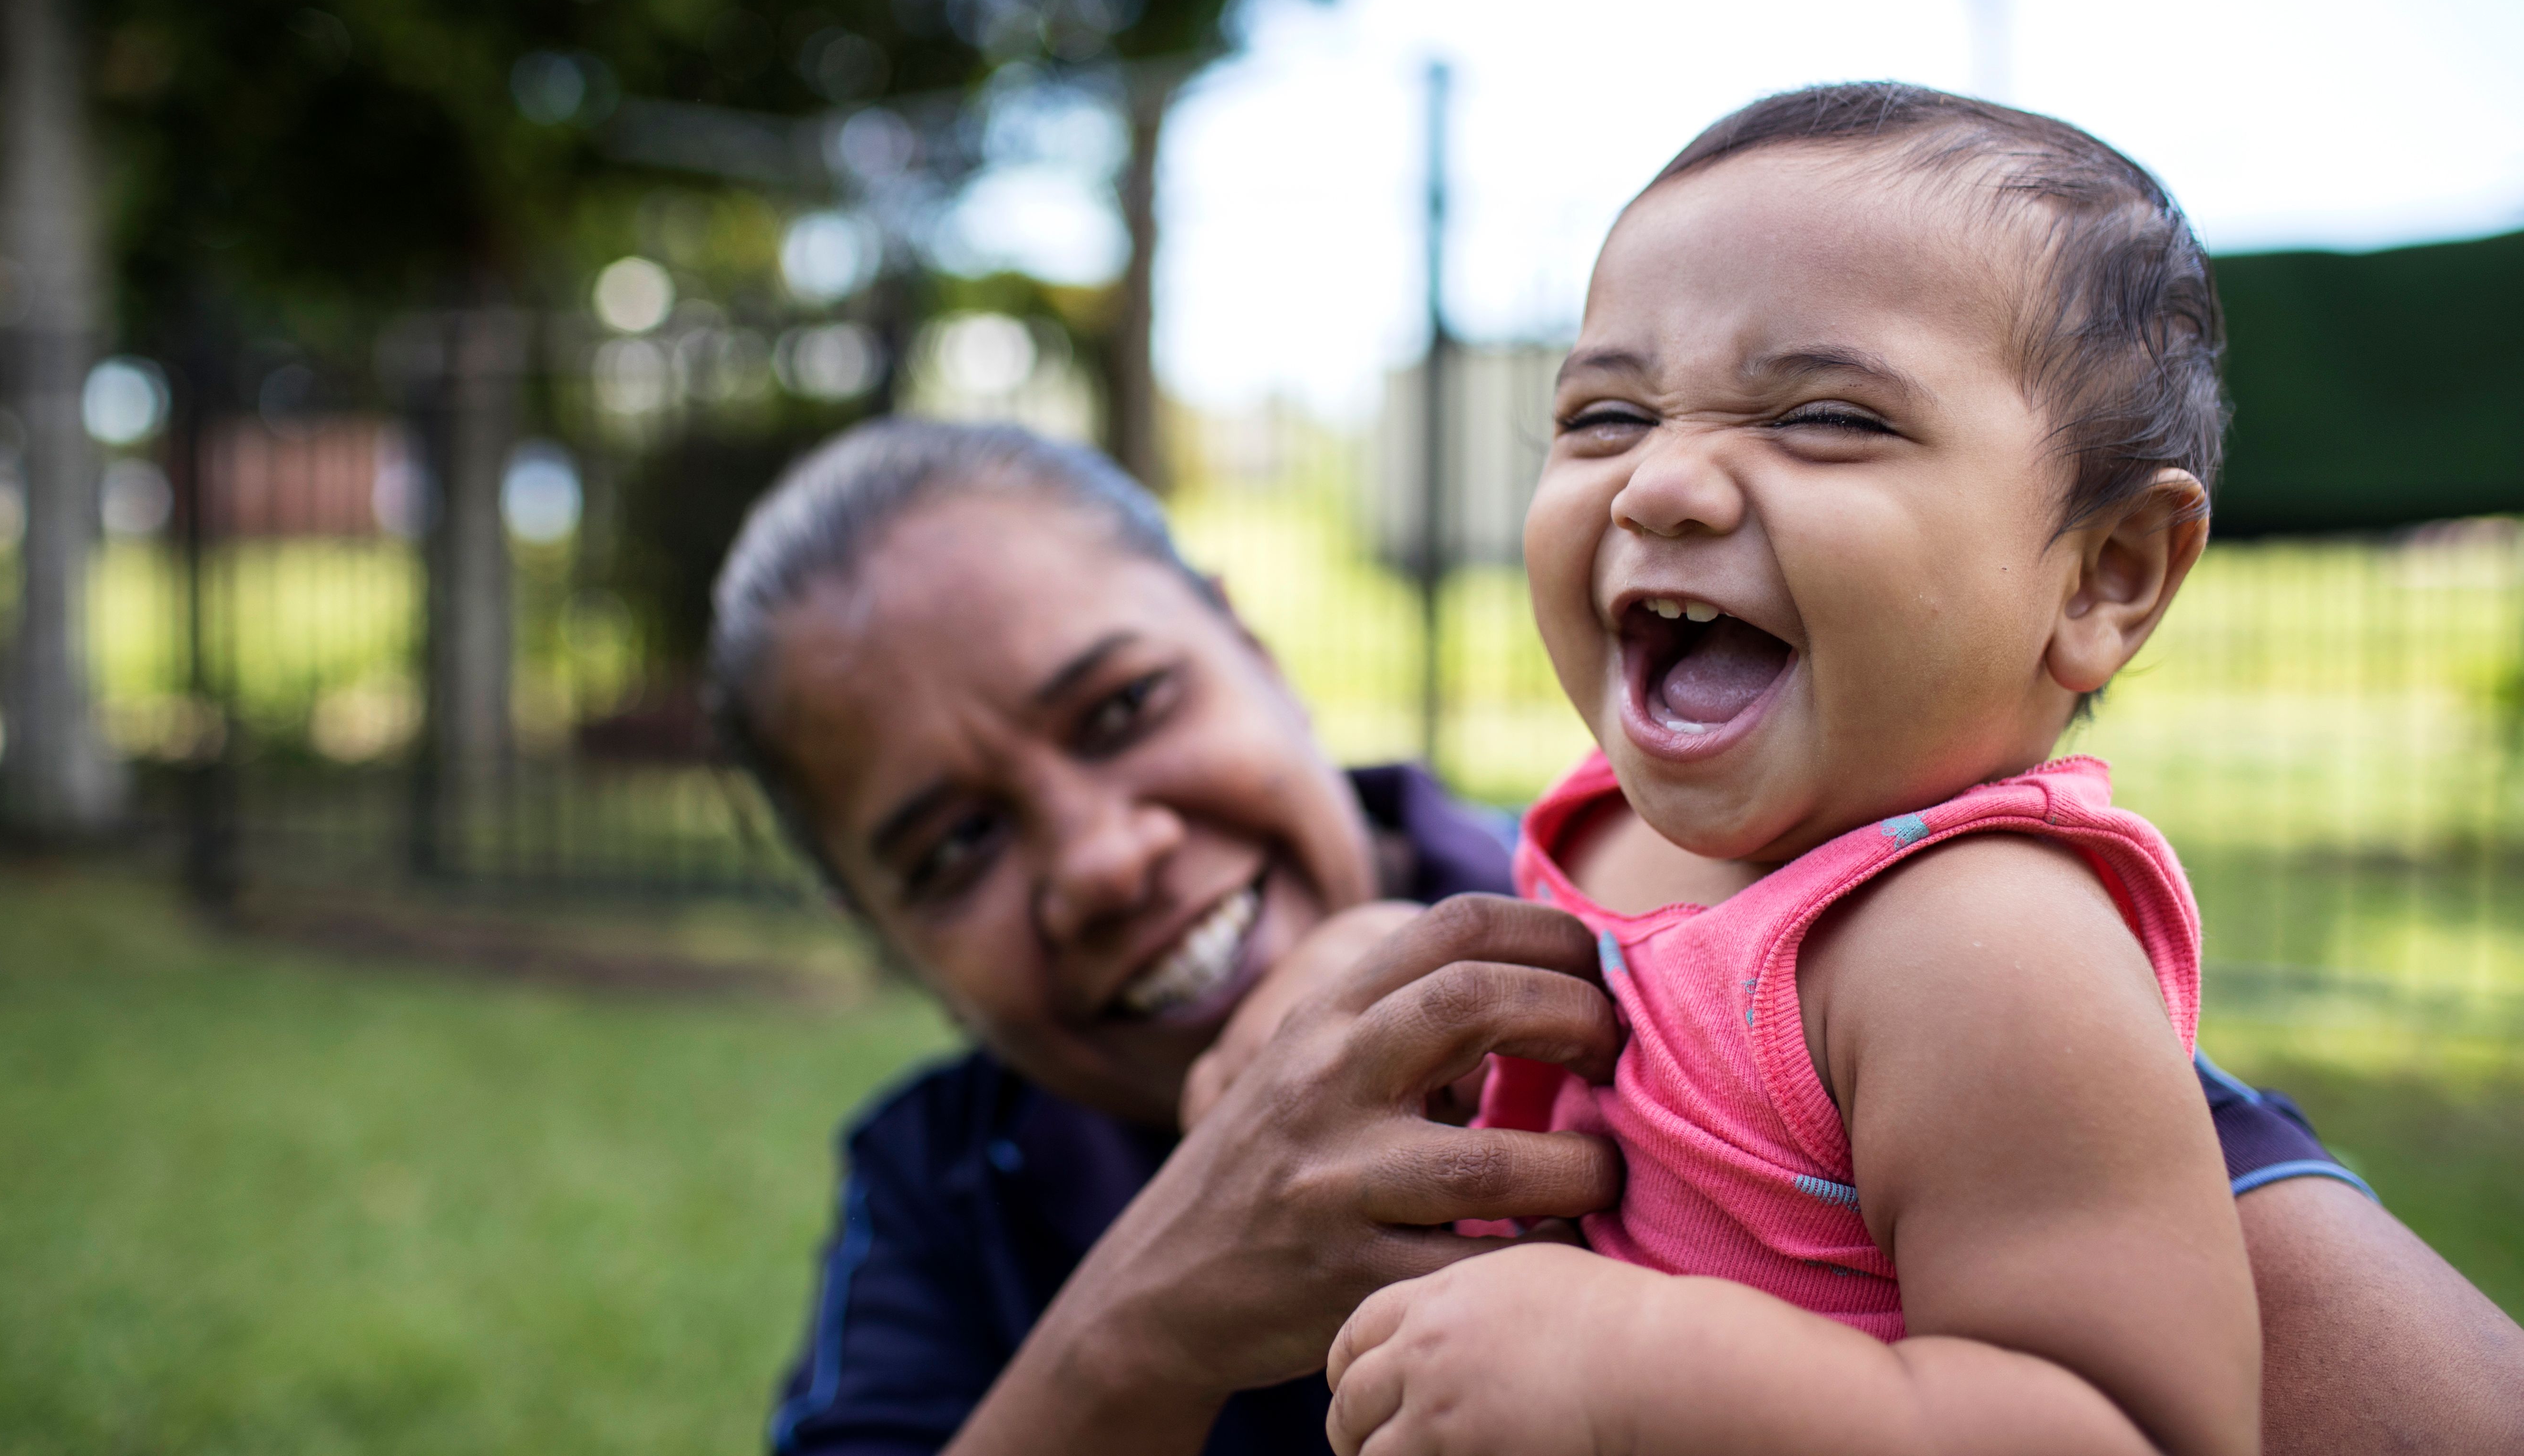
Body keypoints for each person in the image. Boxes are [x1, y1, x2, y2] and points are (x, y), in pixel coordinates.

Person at [706, 418, 2524, 1456]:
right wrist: (1136, 1331)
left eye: (1120, 711)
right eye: (951, 848)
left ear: (1248, 643)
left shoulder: (1730, 935)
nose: (1100, 857)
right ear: (886, 937)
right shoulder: (950, 1186)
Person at [1314, 83, 2524, 1456]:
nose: (1663, 484)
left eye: (1826, 417)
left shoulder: (1976, 946)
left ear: (2105, 573)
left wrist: (1632, 1366)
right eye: (1606, 415)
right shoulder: (1613, 830)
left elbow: (2129, 1426)